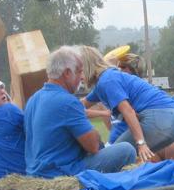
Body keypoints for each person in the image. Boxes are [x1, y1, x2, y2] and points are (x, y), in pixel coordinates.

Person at [24, 46, 137, 178]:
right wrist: (95, 134)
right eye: (79, 72)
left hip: (34, 173)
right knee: (126, 150)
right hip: (62, 172)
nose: (82, 77)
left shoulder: (33, 100)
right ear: (67, 73)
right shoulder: (67, 101)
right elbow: (93, 146)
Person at [79, 45, 174, 164]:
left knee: (113, 158)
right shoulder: (105, 82)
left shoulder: (107, 80)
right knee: (126, 160)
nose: (77, 74)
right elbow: (79, 106)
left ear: (87, 66)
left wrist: (141, 143)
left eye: (78, 69)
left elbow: (128, 111)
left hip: (161, 118)